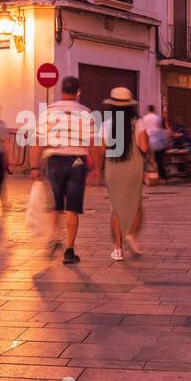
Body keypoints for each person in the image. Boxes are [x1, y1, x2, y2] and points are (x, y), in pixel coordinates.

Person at [29, 74, 97, 265]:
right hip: (77, 162)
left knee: (56, 205)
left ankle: (52, 239)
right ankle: (69, 249)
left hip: (54, 161)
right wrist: (96, 167)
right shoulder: (85, 112)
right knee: (73, 209)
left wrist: (35, 166)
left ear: (61, 90)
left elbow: (37, 142)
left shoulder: (48, 112)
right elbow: (92, 142)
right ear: (78, 92)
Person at [97, 88, 148, 260]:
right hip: (134, 168)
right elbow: (144, 147)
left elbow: (101, 149)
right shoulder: (138, 123)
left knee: (116, 207)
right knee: (135, 204)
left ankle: (117, 248)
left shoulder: (106, 124)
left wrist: (98, 170)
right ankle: (131, 234)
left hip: (113, 168)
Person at [139, 104, 169, 182]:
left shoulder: (144, 119)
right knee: (159, 162)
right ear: (153, 110)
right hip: (158, 143)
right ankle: (163, 177)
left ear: (148, 110)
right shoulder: (158, 118)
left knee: (146, 161)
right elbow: (162, 129)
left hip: (147, 142)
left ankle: (145, 178)